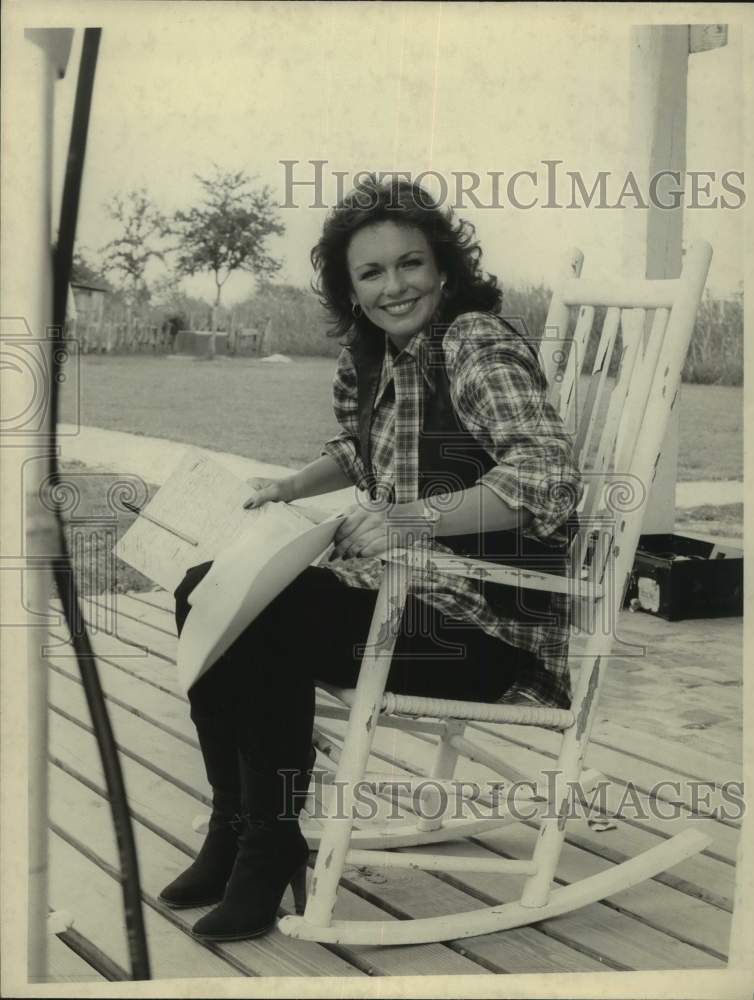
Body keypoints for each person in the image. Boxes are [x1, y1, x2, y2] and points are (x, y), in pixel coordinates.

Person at [158, 176, 582, 942]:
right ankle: (237, 825)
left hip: (483, 635)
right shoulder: (379, 354)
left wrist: (411, 517)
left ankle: (268, 843)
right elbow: (367, 451)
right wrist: (290, 485)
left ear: (444, 269)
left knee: (267, 617)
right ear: (349, 290)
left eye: (411, 264)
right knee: (202, 588)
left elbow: (545, 473)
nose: (396, 286)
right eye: (372, 272)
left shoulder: (473, 345)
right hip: (400, 601)